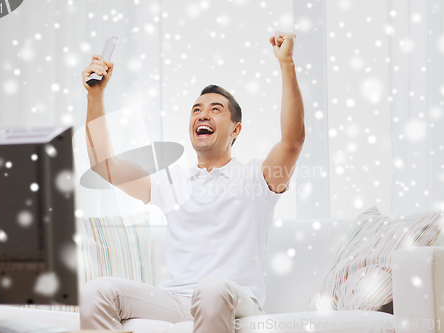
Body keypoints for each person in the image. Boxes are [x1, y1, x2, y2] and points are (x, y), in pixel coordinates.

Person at [79, 30, 304, 333]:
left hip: (235, 299)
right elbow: (103, 165)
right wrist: (95, 95)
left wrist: (286, 63)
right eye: (196, 109)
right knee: (97, 291)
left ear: (236, 129)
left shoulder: (257, 178)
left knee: (210, 289)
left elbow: (292, 142)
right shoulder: (171, 183)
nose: (202, 115)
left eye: (215, 109)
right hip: (178, 299)